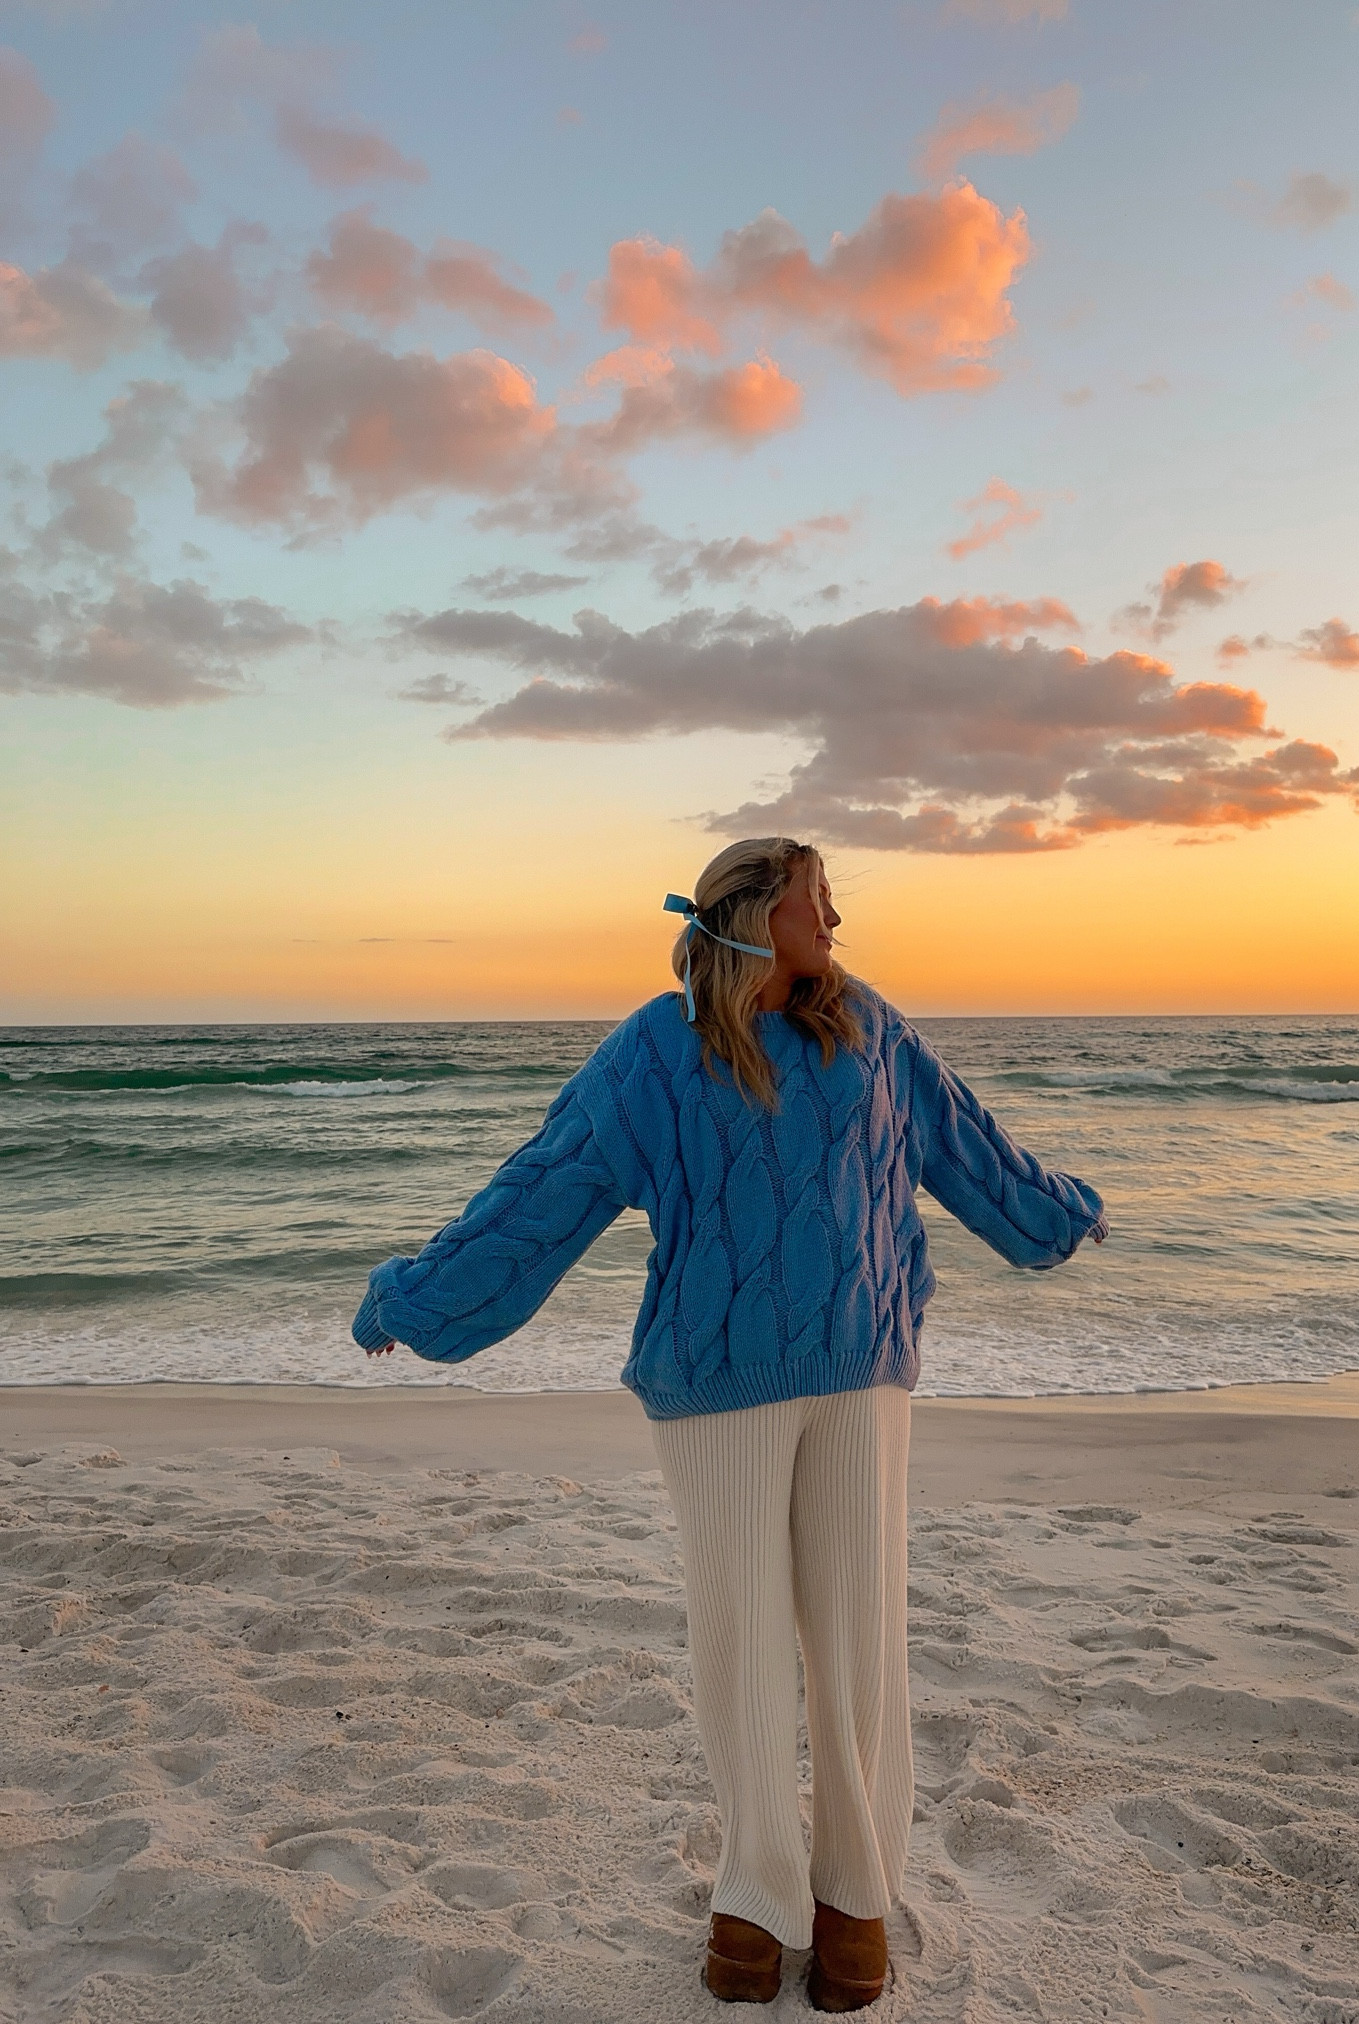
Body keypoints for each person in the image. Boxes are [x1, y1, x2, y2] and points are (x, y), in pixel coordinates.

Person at [353, 836, 1107, 2011]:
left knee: (859, 1638)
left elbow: (972, 1151)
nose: (838, 921)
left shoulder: (874, 1031)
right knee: (741, 1642)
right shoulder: (655, 1047)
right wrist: (419, 1297)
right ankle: (756, 1904)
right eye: (819, 900)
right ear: (759, 911)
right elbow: (543, 1191)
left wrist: (1060, 1215)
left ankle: (855, 1901)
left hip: (861, 1374)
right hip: (714, 1386)